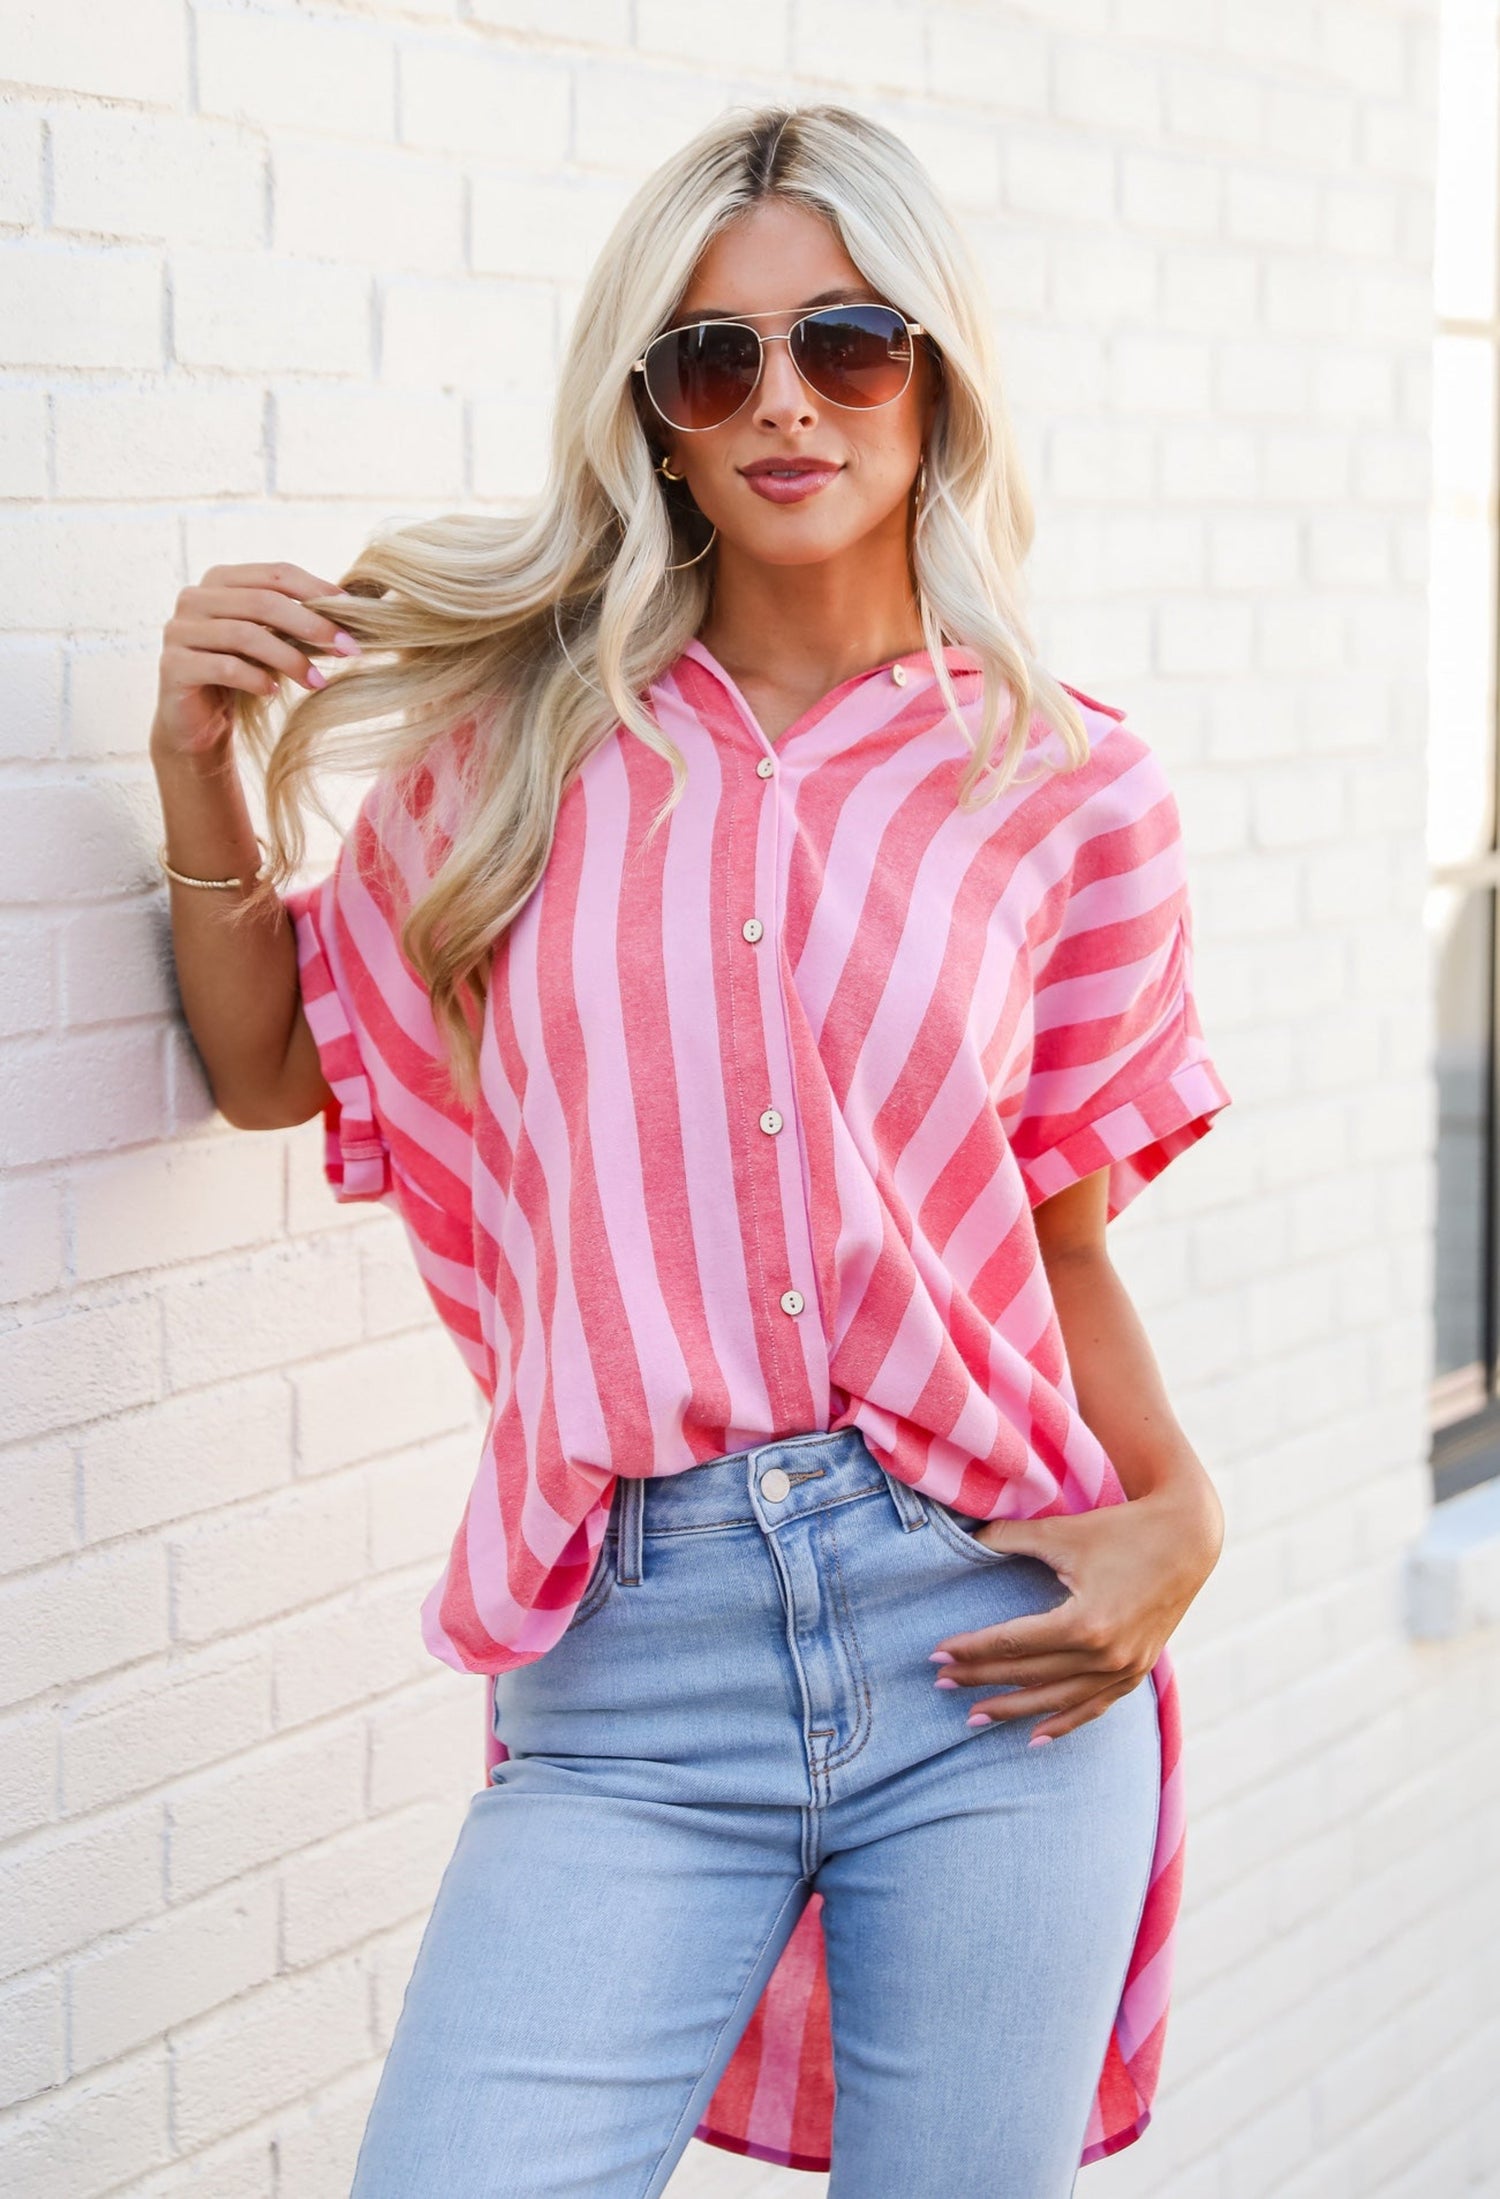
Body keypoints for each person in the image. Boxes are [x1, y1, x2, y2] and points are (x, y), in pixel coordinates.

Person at [149, 100, 1231, 2199]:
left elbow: (1054, 1232)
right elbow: (278, 1065)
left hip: (989, 1652)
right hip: (631, 1673)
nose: (786, 403)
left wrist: (1182, 1509)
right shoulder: (511, 747)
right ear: (651, 413)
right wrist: (206, 781)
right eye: (713, 358)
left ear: (936, 372)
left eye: (848, 340)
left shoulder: (1067, 784)